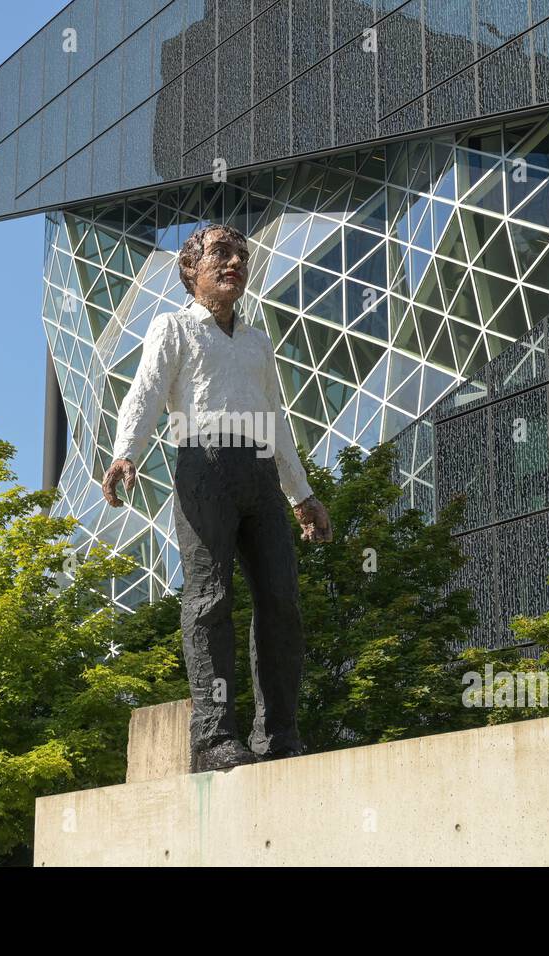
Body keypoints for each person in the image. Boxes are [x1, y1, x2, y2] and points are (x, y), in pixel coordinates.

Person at [102, 223, 333, 772]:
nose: (233, 263)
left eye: (241, 256)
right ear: (190, 271)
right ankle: (213, 737)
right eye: (220, 254)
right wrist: (125, 452)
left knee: (281, 600)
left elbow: (276, 418)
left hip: (259, 476)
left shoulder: (256, 340)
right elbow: (147, 390)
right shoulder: (173, 328)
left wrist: (301, 495)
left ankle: (278, 735)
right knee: (210, 601)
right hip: (204, 468)